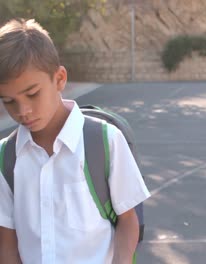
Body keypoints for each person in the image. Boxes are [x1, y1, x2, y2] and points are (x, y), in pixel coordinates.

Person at [0, 18, 150, 263]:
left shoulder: (105, 141)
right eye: (8, 101)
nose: (23, 110)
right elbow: (7, 243)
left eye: (32, 94)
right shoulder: (6, 157)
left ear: (59, 79)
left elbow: (128, 220)